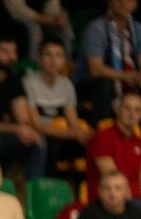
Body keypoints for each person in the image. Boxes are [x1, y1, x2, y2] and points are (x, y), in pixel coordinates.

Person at [86, 93, 141, 219]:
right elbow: (113, 183)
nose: (132, 113)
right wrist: (140, 213)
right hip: (108, 203)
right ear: (118, 109)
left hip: (136, 204)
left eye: (137, 110)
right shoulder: (102, 137)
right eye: (127, 108)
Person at [0, 32, 43, 178]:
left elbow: (22, 116)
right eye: (5, 52)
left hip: (5, 131)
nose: (11, 57)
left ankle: (34, 190)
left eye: (13, 52)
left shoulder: (14, 79)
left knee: (38, 141)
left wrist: (26, 130)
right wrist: (16, 128)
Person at [78, 0, 141, 123]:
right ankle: (105, 128)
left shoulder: (140, 29)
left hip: (129, 79)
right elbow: (96, 69)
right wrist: (131, 76)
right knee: (105, 84)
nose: (123, 3)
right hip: (92, 83)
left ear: (135, 4)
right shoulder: (96, 28)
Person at [22, 38, 91, 176]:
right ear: (39, 59)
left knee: (93, 142)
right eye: (48, 55)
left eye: (58, 56)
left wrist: (82, 134)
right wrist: (70, 133)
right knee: (50, 143)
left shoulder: (67, 85)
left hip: (60, 133)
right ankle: (43, 189)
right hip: (38, 135)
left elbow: (73, 122)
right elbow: (36, 124)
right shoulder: (28, 83)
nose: (53, 60)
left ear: (65, 60)